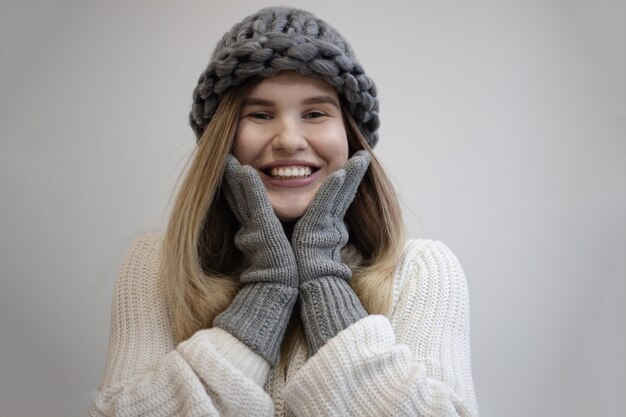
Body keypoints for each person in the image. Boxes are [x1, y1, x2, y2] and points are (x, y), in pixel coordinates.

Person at [90, 6, 478, 417]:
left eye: (315, 113)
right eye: (259, 114)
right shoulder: (156, 265)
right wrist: (265, 295)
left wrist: (324, 282)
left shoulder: (422, 270)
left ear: (350, 137)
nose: (290, 139)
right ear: (223, 140)